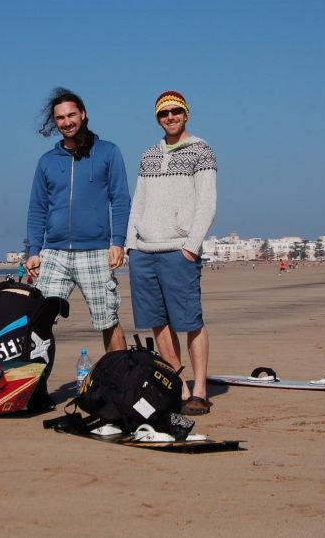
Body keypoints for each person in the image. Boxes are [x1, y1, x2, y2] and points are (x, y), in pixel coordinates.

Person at [125, 91, 217, 416]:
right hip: (143, 252)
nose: (170, 117)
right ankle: (180, 388)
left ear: (186, 114)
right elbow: (138, 202)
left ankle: (201, 390)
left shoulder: (201, 150)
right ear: (157, 118)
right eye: (164, 114)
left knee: (190, 320)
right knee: (157, 323)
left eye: (176, 111)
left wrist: (191, 247)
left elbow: (207, 203)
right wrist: (130, 244)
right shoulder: (148, 155)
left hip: (179, 251)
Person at [25, 88, 130, 352]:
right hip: (54, 254)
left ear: (83, 114)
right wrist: (34, 251)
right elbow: (38, 208)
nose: (67, 122)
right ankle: (37, 388)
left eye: (71, 115)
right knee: (39, 322)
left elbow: (120, 199)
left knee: (108, 320)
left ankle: (119, 383)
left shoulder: (108, 152)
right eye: (60, 118)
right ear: (54, 121)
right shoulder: (47, 161)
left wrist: (118, 242)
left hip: (95, 251)